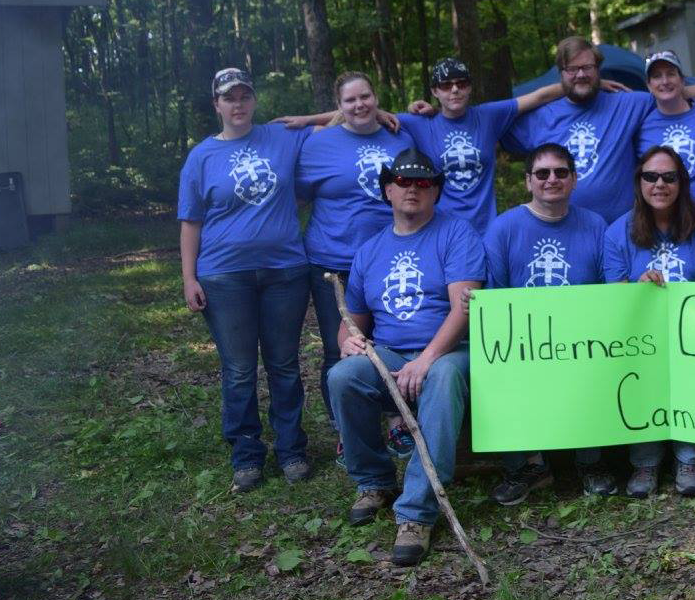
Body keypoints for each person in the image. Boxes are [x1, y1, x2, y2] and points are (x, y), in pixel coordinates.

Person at [327, 148, 483, 566]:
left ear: (435, 191)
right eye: (402, 182)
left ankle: (416, 513)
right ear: (387, 190)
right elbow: (352, 319)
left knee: (444, 377)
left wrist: (427, 358)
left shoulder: (457, 234)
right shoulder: (370, 250)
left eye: (423, 183)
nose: (412, 189)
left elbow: (464, 311)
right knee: (344, 376)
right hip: (392, 350)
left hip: (451, 349)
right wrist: (348, 342)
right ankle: (373, 480)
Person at [178, 68, 312, 493]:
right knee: (238, 369)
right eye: (228, 98)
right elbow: (191, 221)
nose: (238, 104)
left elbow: (343, 120)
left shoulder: (281, 137)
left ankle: (291, 450)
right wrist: (188, 278)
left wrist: (381, 113)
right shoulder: (201, 156)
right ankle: (247, 454)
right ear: (216, 105)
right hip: (222, 275)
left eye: (244, 96)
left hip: (286, 271)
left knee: (284, 364)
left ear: (254, 100)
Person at [484, 143, 613, 503]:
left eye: (560, 172)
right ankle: (523, 467)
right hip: (524, 342)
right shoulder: (503, 228)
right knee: (497, 368)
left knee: (598, 364)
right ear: (528, 181)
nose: (551, 179)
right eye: (542, 173)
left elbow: (609, 289)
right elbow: (494, 295)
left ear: (574, 179)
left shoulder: (595, 225)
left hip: (582, 339)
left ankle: (591, 462)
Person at [602, 147, 695, 498]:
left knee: (694, 369)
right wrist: (638, 289)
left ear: (681, 182)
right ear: (639, 182)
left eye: (669, 177)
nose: (659, 184)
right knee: (639, 375)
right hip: (640, 335)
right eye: (651, 176)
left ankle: (689, 460)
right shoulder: (618, 232)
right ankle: (645, 462)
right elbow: (615, 297)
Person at [297, 72, 417, 451]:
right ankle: (345, 428)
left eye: (365, 97)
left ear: (376, 98)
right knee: (343, 346)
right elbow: (298, 194)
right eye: (350, 101)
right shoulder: (319, 144)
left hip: (392, 255)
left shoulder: (399, 136)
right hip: (335, 260)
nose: (359, 105)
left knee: (394, 339)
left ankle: (399, 418)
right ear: (339, 105)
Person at [398, 58, 595, 235]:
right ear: (434, 91)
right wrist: (386, 113)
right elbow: (375, 117)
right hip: (442, 230)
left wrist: (589, 84)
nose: (455, 89)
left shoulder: (488, 116)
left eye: (461, 83)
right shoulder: (421, 124)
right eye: (446, 85)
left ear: (470, 87)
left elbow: (539, 97)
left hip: (487, 229)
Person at [502, 37, 656, 225]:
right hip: (564, 232)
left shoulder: (628, 104)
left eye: (587, 67)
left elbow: (674, 97)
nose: (581, 74)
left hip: (621, 231)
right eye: (572, 69)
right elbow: (492, 125)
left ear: (598, 69)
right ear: (561, 73)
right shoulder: (541, 117)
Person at [636, 51, 695, 221]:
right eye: (657, 76)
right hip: (666, 224)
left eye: (671, 74)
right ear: (649, 85)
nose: (665, 81)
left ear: (682, 79)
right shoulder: (641, 123)